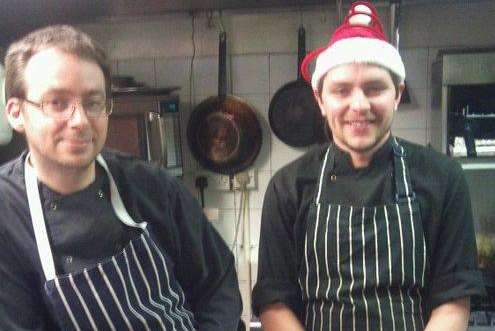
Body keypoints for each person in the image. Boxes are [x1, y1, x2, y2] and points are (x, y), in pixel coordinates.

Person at [252, 2, 485, 330]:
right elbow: (274, 302)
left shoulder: (443, 178)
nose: (359, 105)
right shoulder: (288, 186)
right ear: (320, 99)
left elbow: (453, 300)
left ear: (397, 94)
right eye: (341, 90)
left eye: (375, 88)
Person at [0, 25, 242, 330]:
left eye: (93, 102)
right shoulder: (7, 214)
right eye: (57, 103)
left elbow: (217, 286)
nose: (79, 121)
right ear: (16, 113)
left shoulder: (152, 185)